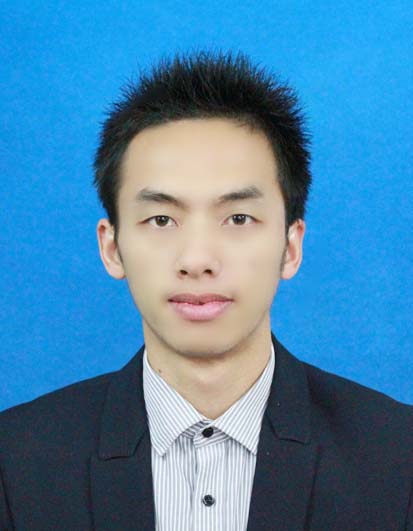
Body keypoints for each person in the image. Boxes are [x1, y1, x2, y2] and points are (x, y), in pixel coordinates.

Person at [0, 49, 412, 531]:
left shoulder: (398, 459)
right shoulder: (17, 462)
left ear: (290, 246)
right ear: (112, 248)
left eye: (238, 218)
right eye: (161, 219)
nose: (197, 260)